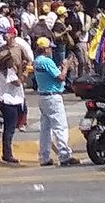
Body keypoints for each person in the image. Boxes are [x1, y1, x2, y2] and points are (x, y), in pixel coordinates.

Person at [33, 36, 78, 167]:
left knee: (45, 129)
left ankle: (44, 156)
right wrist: (66, 67)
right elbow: (60, 77)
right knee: (60, 127)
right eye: (49, 48)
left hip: (43, 95)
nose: (51, 51)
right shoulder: (47, 62)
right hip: (53, 96)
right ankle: (65, 155)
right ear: (44, 49)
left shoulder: (37, 61)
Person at [0, 42, 26, 164]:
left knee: (10, 127)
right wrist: (22, 71)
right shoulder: (6, 72)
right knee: (9, 128)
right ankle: (7, 154)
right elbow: (18, 82)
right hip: (9, 102)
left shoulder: (5, 71)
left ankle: (7, 152)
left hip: (12, 100)